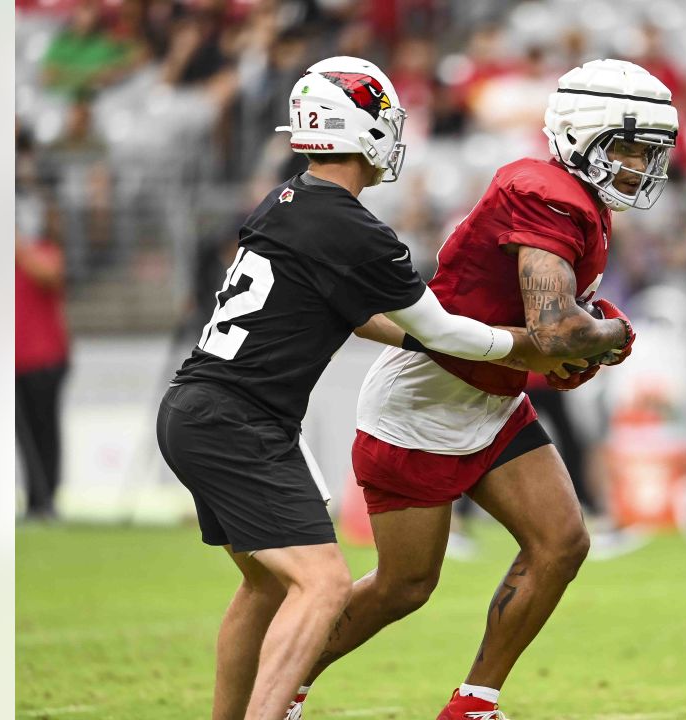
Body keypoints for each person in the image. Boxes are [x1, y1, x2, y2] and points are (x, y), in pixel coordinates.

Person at [155, 56, 566, 720]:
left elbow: (367, 317)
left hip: (201, 408)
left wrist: (417, 340)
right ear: (361, 130)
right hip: (238, 421)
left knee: (264, 588)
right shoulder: (350, 228)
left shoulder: (290, 199)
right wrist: (533, 348)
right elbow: (452, 334)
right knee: (323, 586)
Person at [291, 59, 679, 720]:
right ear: (583, 137)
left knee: (562, 542)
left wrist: (588, 339)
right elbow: (554, 329)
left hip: (490, 398)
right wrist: (604, 336)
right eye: (630, 148)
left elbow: (547, 334)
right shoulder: (541, 189)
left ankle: (473, 704)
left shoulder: (576, 199)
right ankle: (283, 685)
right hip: (425, 401)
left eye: (649, 152)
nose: (641, 166)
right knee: (404, 586)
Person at [16, 130, 70, 522]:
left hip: (44, 352)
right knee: (25, 435)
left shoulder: (43, 248)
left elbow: (50, 274)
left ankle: (46, 501)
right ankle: (36, 502)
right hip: (16, 352)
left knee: (43, 430)